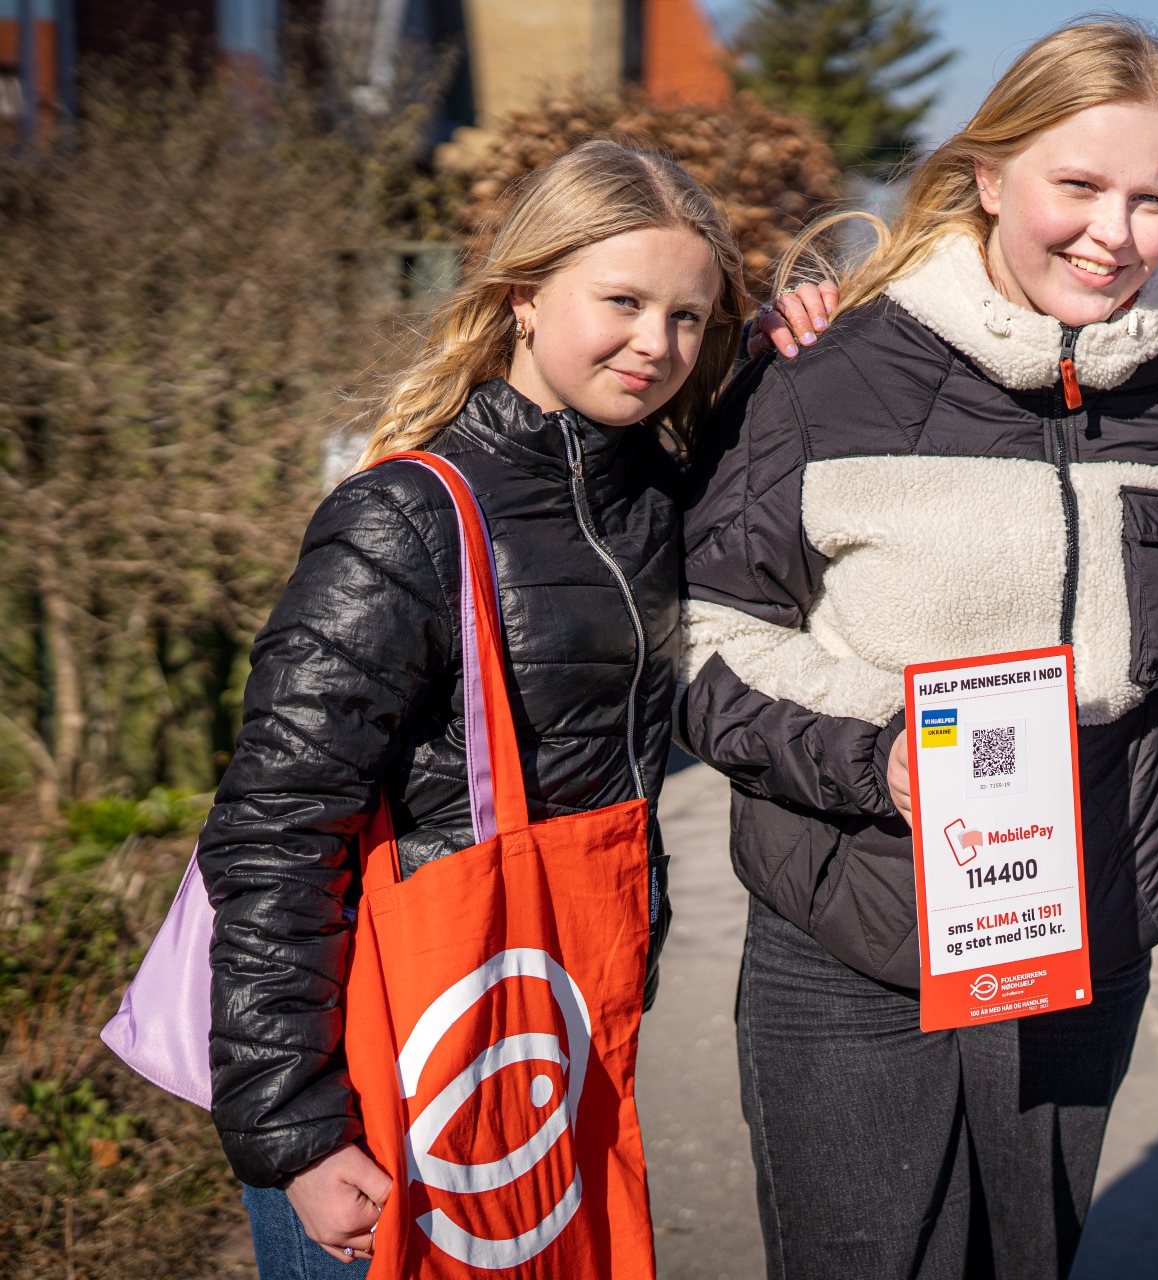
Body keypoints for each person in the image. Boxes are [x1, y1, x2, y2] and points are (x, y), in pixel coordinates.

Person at [678, 20, 1158, 1279]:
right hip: (856, 922)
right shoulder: (827, 368)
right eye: (1080, 186)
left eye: (1153, 199)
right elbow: (704, 638)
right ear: (990, 177)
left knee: (1023, 1260)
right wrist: (870, 752)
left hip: (1087, 925)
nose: (1115, 232)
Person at [196, 140, 749, 1276]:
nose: (658, 344)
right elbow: (273, 829)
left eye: (689, 318)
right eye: (624, 301)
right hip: (393, 1063)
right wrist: (295, 1133)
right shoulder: (402, 519)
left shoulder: (647, 497)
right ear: (522, 298)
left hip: (548, 1030)